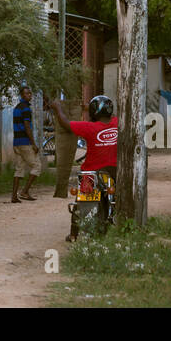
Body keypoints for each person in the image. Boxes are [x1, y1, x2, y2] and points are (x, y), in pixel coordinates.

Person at [47, 94, 118, 240]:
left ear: (93, 113)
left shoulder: (88, 127)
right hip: (116, 171)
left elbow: (65, 123)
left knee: (81, 202)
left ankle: (74, 234)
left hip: (92, 172)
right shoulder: (118, 123)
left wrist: (58, 108)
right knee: (120, 197)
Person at [11, 84, 41, 203]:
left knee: (19, 169)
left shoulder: (17, 108)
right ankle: (24, 191)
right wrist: (33, 143)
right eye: (27, 93)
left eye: (30, 93)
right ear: (22, 95)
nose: (30, 95)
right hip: (25, 142)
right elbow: (27, 126)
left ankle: (14, 196)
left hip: (16, 142)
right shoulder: (26, 108)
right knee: (37, 166)